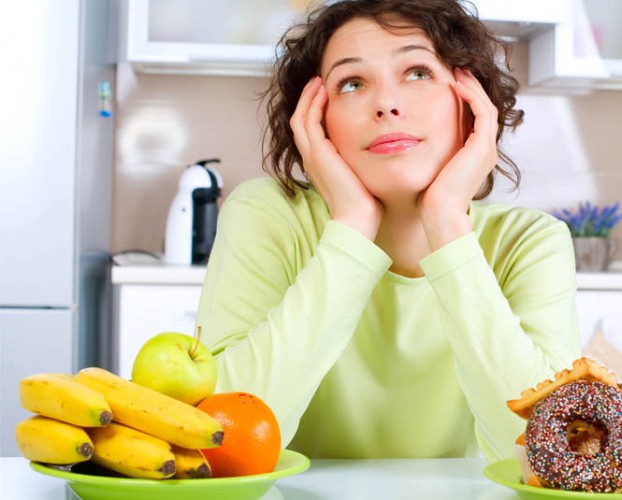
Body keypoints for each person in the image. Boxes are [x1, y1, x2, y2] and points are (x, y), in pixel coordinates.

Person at [195, 0, 580, 461]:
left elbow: (546, 456)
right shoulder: (268, 215)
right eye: (352, 83)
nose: (387, 104)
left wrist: (447, 225)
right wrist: (352, 228)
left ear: (473, 103)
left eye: (417, 72)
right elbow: (224, 441)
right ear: (316, 122)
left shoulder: (530, 243)